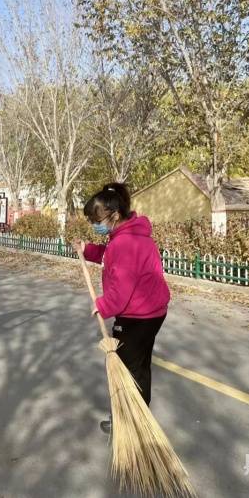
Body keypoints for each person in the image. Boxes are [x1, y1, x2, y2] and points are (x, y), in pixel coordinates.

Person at [75, 182, 170, 434]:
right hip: (153, 312)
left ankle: (128, 421)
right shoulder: (129, 234)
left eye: (96, 219)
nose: (94, 225)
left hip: (136, 316)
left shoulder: (124, 243)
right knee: (139, 365)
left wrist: (101, 305)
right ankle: (140, 415)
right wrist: (88, 250)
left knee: (126, 370)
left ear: (114, 215)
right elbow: (110, 256)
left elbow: (121, 290)